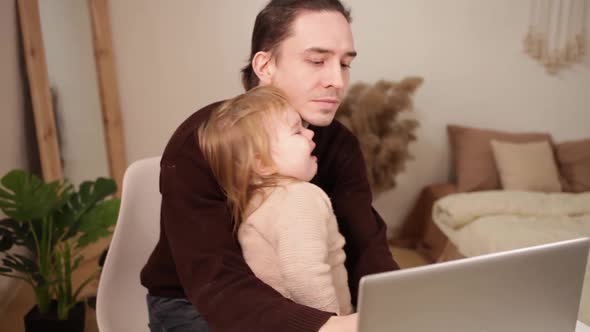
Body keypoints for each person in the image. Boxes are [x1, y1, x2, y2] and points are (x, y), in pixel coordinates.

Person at [140, 1, 400, 331]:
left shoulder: (339, 143)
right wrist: (332, 326)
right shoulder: (201, 141)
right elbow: (218, 284)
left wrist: (398, 306)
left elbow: (366, 247)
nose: (337, 80)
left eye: (345, 64)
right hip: (193, 301)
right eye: (317, 60)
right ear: (265, 65)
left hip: (295, 298)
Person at [199, 85, 353, 317]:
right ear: (262, 163)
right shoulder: (299, 198)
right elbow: (305, 277)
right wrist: (332, 323)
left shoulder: (259, 202)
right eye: (297, 131)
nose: (310, 134)